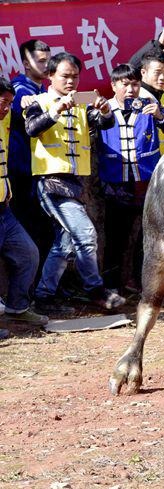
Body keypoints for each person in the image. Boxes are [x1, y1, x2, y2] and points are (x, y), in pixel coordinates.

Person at [24, 53, 125, 312]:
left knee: (65, 243)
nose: (71, 82)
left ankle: (44, 297)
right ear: (50, 76)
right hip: (50, 182)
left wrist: (104, 111)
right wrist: (56, 110)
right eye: (65, 76)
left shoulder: (81, 104)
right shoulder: (38, 101)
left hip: (74, 183)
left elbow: (104, 123)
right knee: (86, 234)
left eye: (75, 76)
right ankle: (95, 289)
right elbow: (32, 128)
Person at [98, 64, 164, 292]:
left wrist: (161, 115)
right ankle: (113, 286)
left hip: (146, 183)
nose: (132, 89)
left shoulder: (149, 108)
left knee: (149, 236)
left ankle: (145, 282)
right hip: (115, 184)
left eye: (135, 84)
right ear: (114, 86)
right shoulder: (104, 109)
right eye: (125, 84)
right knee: (116, 237)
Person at [0, 77, 49, 328]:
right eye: (3, 102)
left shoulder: (5, 119)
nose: (7, 108)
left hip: (4, 210)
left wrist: (28, 101)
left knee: (28, 253)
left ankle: (17, 308)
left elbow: (28, 115)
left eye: (9, 103)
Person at [9, 40, 52, 274]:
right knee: (31, 232)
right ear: (26, 63)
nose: (47, 66)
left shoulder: (43, 90)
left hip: (39, 171)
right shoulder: (18, 90)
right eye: (41, 61)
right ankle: (32, 291)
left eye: (49, 60)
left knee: (44, 231)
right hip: (22, 172)